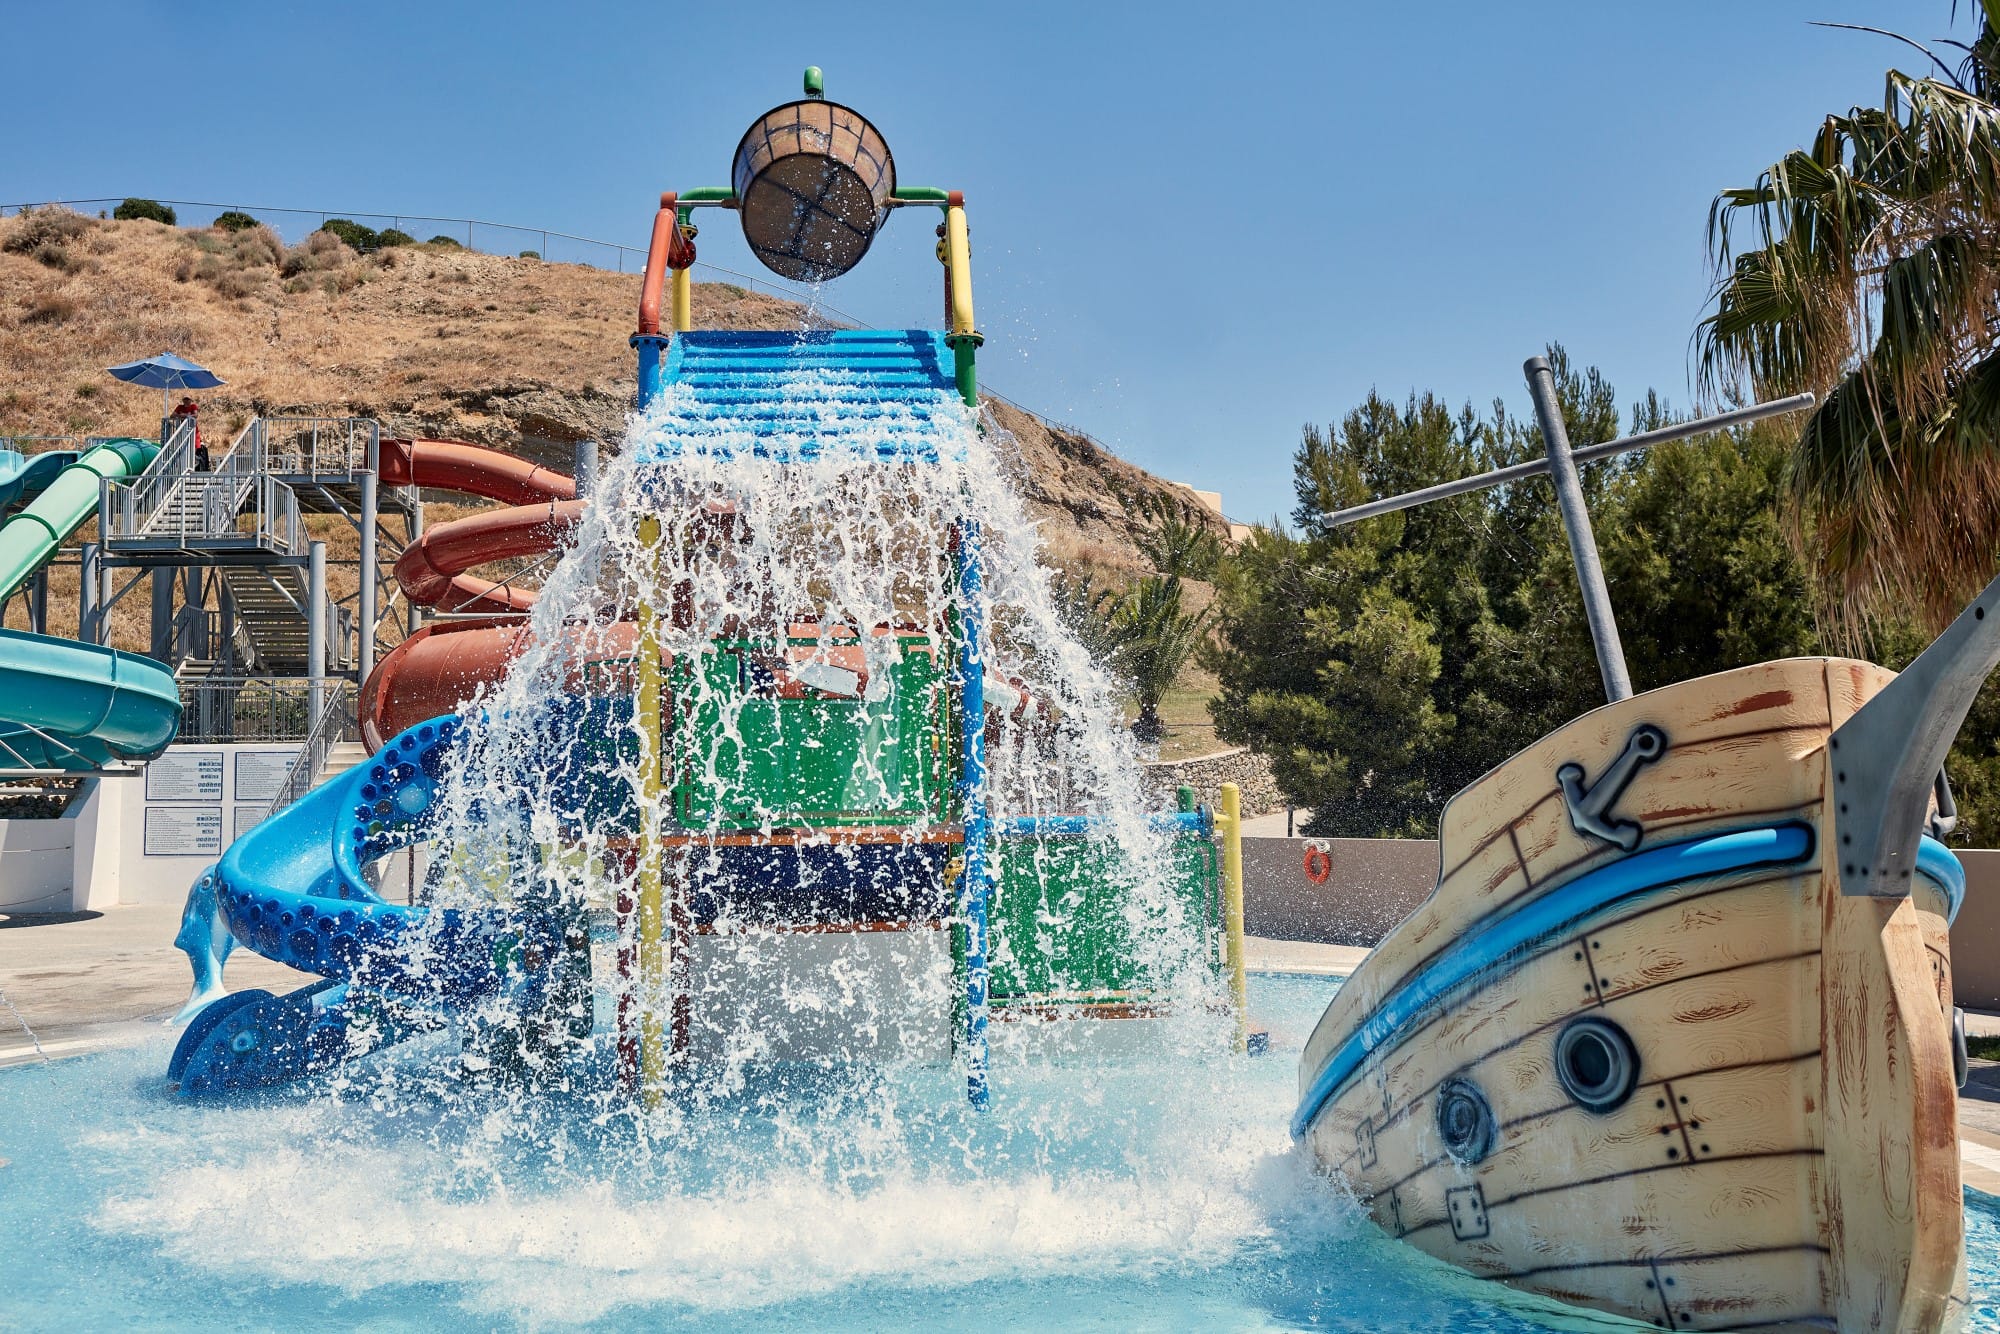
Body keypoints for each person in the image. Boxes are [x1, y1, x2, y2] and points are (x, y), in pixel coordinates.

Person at [171, 396, 210, 471]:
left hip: (193, 431)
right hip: (182, 431)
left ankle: (192, 463)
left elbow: (195, 415)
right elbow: (172, 415)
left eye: (187, 399)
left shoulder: (193, 406)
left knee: (194, 446)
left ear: (190, 400)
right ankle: (184, 465)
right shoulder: (180, 407)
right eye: (185, 399)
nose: (186, 401)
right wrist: (180, 416)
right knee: (182, 447)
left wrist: (185, 416)